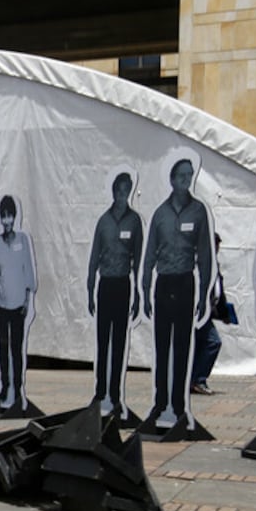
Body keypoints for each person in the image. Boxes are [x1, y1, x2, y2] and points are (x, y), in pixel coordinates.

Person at [141, 156, 212, 431]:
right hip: (164, 283)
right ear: (171, 179)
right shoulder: (160, 213)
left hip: (185, 282)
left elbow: (204, 255)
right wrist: (145, 290)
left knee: (182, 346)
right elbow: (149, 255)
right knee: (162, 347)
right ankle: (160, 402)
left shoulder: (198, 212)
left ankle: (179, 404)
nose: (186, 180)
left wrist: (205, 293)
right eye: (182, 175)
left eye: (190, 175)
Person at [86, 171, 144, 418]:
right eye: (118, 191)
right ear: (113, 192)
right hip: (105, 285)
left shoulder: (134, 221)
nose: (121, 196)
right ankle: (100, 393)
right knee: (103, 342)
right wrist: (90, 290)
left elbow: (139, 259)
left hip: (123, 285)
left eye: (125, 192)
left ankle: (115, 394)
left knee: (119, 342)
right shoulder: (104, 221)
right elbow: (93, 257)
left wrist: (140, 294)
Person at [0, 195, 38, 413]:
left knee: (17, 349)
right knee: (3, 348)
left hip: (18, 304)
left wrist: (28, 300)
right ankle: (4, 388)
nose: (7, 220)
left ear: (14, 217)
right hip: (1, 302)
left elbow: (28, 271)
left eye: (10, 216)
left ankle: (17, 390)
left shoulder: (23, 240)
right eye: (4, 216)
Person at [192, 232, 228, 395]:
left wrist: (224, 312)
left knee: (198, 345)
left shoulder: (214, 264)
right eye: (215, 245)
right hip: (198, 312)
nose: (218, 249)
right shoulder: (199, 263)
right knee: (213, 342)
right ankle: (198, 380)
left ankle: (192, 381)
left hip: (206, 312)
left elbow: (218, 291)